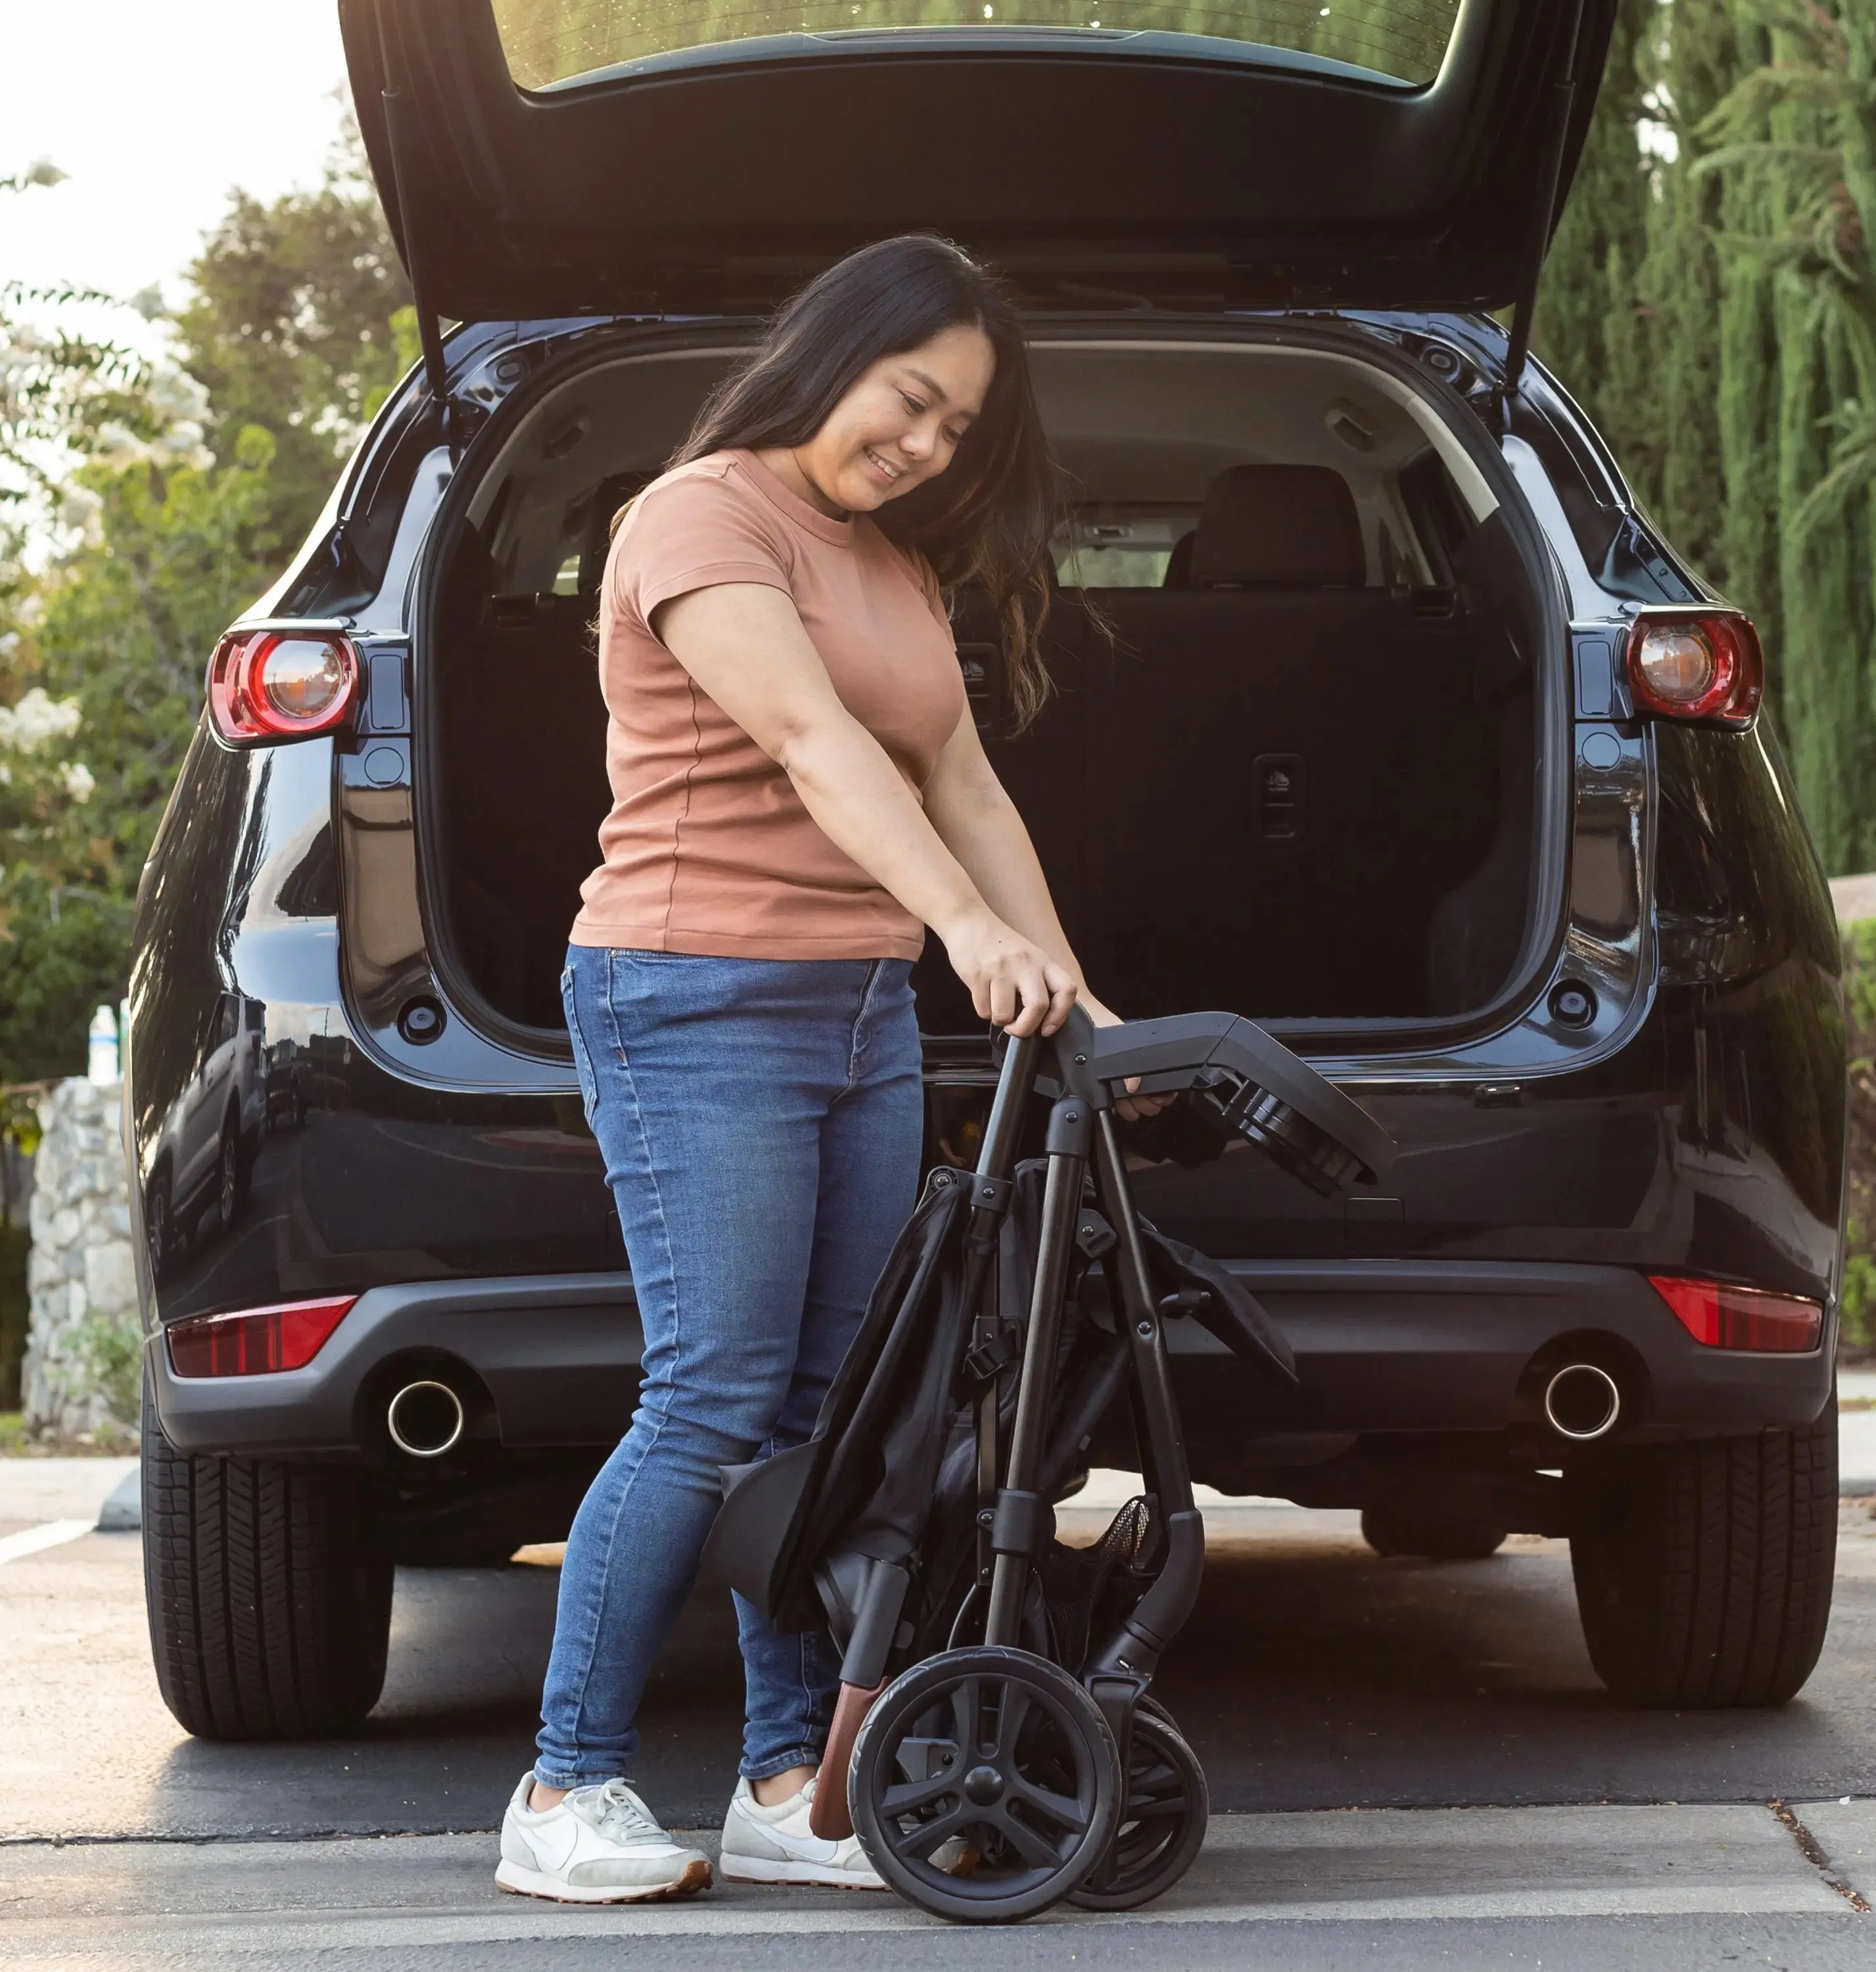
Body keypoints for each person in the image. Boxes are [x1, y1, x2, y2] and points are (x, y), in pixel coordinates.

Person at [496, 234, 1141, 1904]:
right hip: (690, 992)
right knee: (712, 1395)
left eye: (956, 430)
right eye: (909, 399)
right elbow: (811, 744)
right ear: (831, 355)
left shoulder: (893, 563)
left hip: (849, 1011)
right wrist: (956, 931)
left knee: (829, 1412)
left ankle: (791, 1783)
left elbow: (964, 780)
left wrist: (1067, 983)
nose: (925, 445)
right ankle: (565, 1788)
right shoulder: (702, 517)